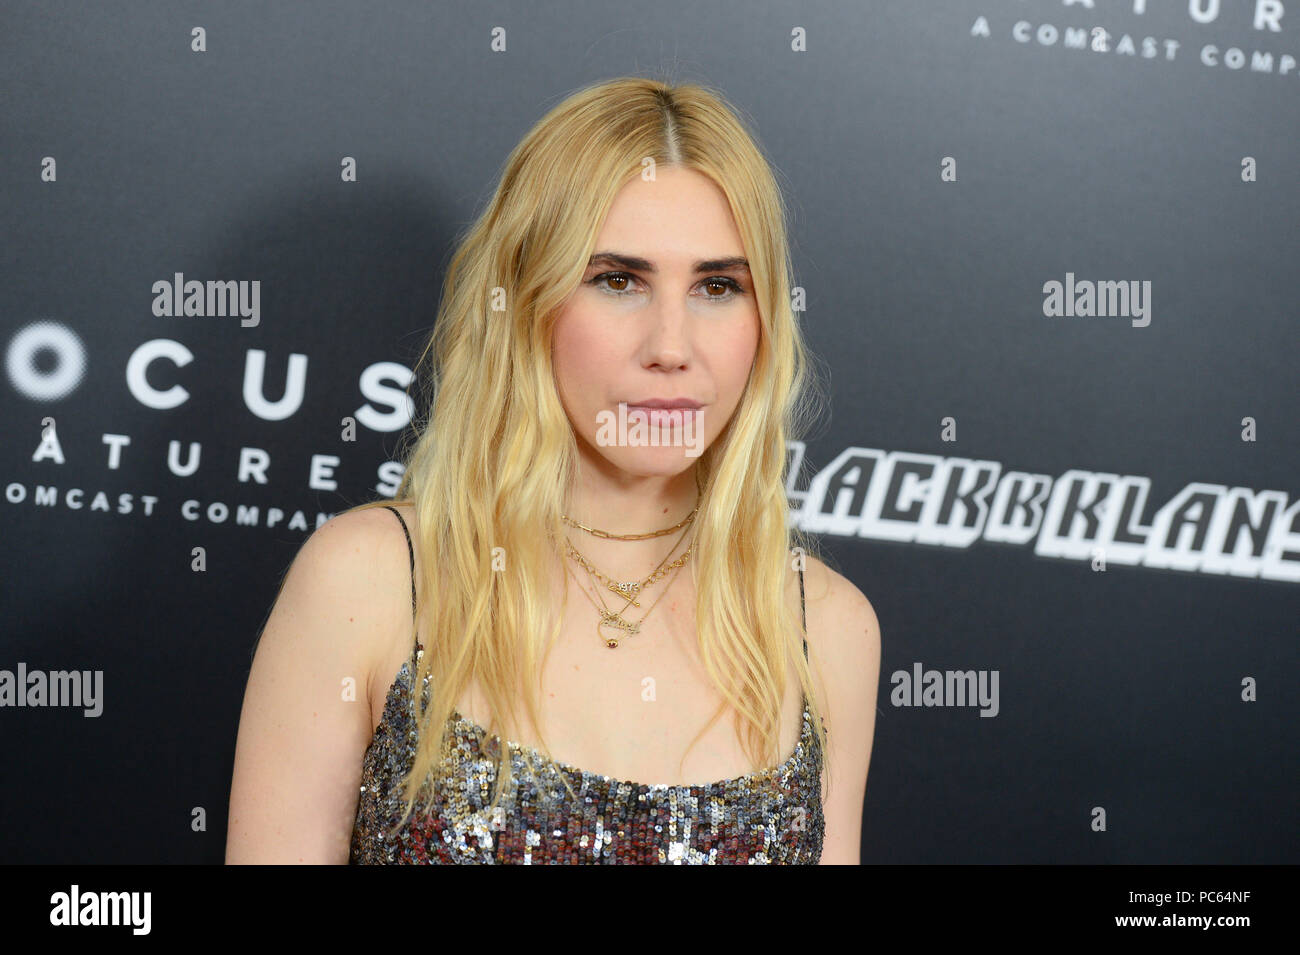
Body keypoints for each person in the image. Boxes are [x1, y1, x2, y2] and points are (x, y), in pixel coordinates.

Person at [225, 76, 881, 865]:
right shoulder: (369, 580)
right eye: (617, 280)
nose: (672, 345)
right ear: (526, 300)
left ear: (764, 320)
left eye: (717, 286)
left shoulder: (825, 630)